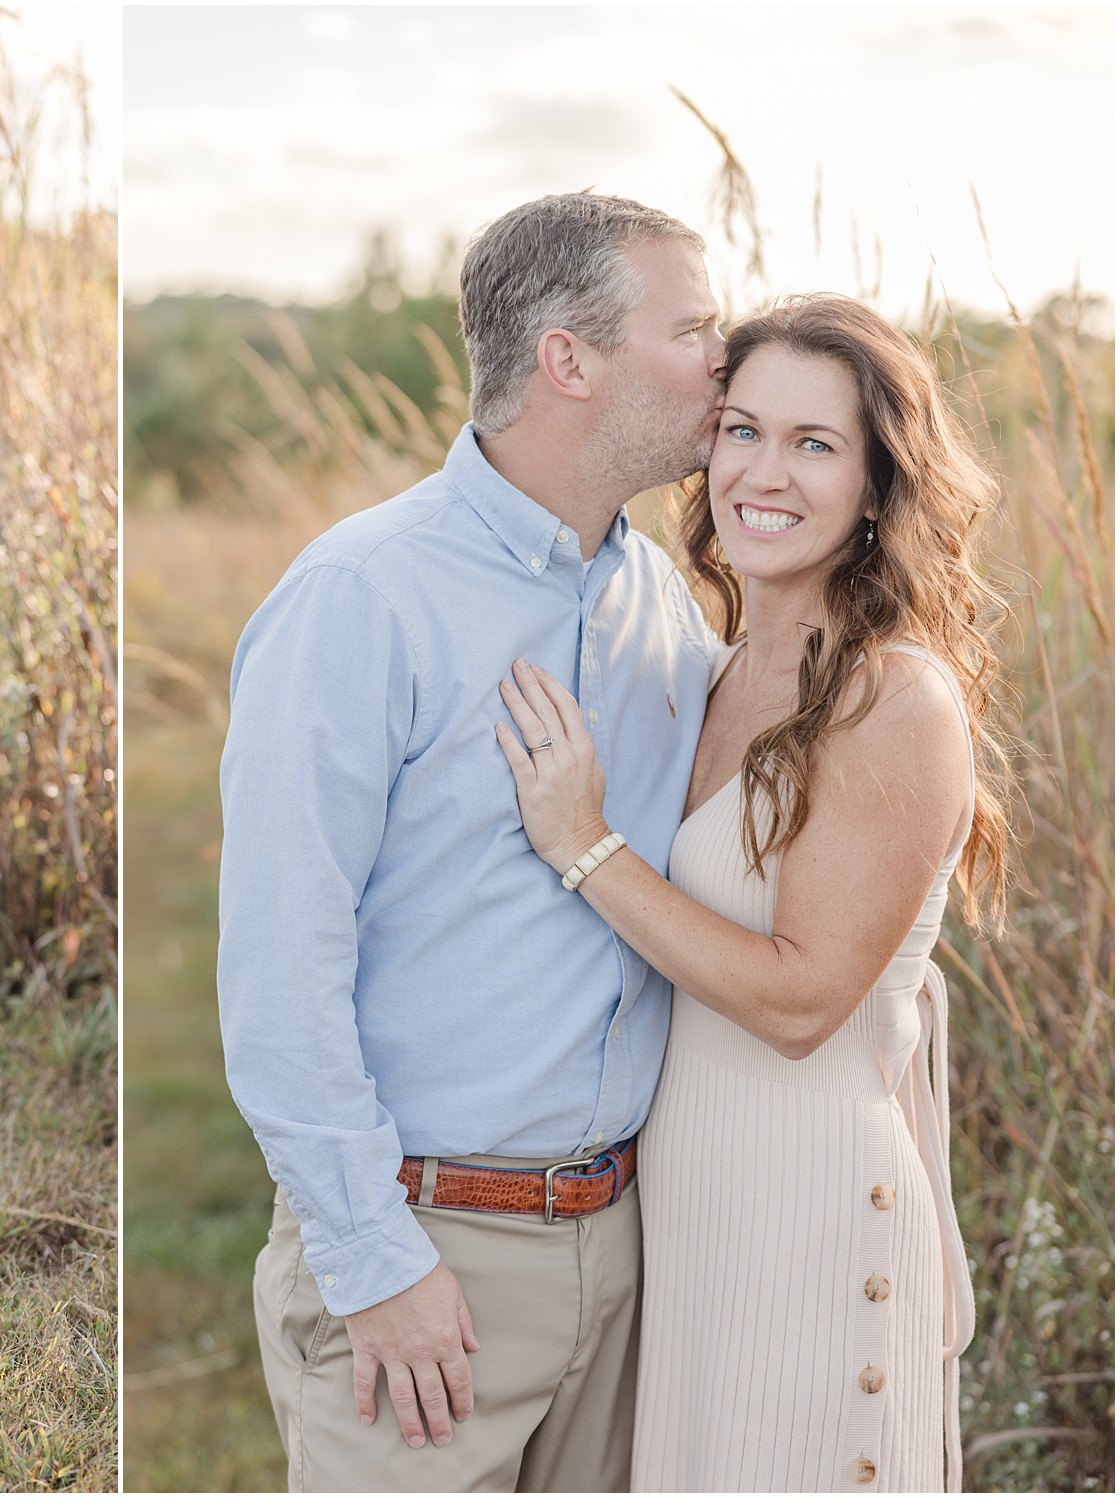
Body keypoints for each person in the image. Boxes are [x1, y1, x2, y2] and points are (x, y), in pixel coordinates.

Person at [218, 193, 726, 1491]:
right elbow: (280, 969)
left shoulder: (654, 591)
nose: (725, 363)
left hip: (625, 1248)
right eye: (696, 330)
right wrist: (372, 1259)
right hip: (426, 1250)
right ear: (570, 358)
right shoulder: (360, 597)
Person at [494, 294, 1004, 1492]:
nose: (762, 473)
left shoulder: (895, 700)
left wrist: (585, 845)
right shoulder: (705, 675)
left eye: (813, 444)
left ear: (878, 486)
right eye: (740, 429)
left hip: (811, 1200)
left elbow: (796, 1002)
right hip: (687, 1200)